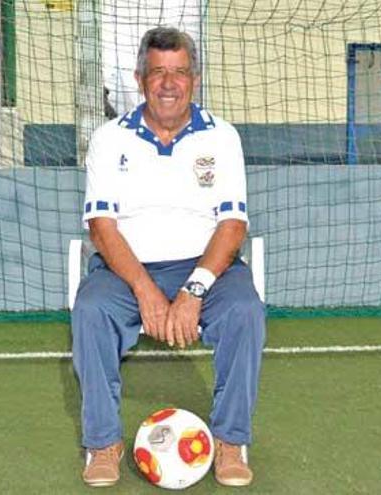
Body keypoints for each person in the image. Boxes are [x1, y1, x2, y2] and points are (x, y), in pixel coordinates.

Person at [72, 26, 265, 488]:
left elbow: (233, 226)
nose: (168, 83)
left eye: (179, 72)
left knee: (245, 310)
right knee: (91, 311)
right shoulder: (108, 138)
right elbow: (101, 226)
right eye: (157, 72)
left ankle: (231, 440)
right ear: (140, 79)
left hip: (206, 266)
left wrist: (192, 291)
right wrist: (146, 292)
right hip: (125, 270)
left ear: (194, 80)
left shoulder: (222, 137)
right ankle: (102, 443)